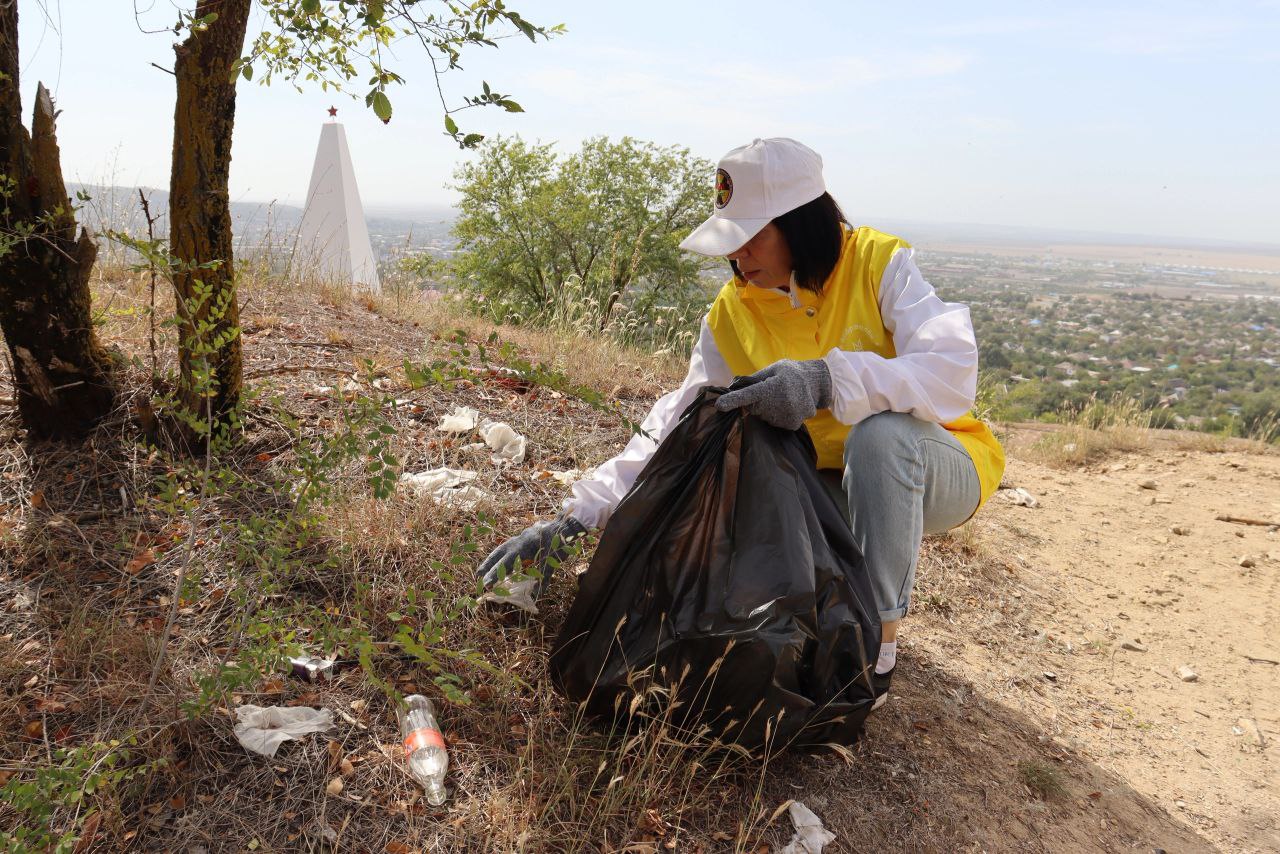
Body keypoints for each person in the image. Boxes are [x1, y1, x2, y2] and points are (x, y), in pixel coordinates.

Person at [476, 137, 1005, 704]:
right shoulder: (734, 310)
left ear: (801, 223)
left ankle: (874, 648)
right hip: (833, 480)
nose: (739, 256)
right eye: (732, 240)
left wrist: (826, 380)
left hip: (934, 463)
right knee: (733, 451)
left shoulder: (879, 263)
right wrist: (577, 518)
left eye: (754, 236)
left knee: (880, 438)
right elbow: (678, 420)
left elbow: (951, 373)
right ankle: (805, 629)